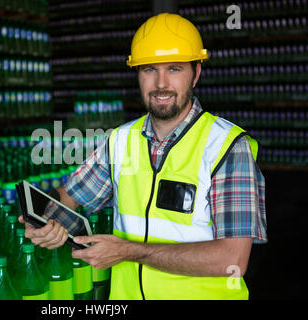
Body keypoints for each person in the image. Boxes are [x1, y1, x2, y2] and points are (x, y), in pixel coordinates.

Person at [18, 13, 267, 300]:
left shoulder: (227, 147)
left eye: (174, 69)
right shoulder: (120, 140)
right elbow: (70, 196)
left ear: (196, 74)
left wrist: (129, 251)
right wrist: (41, 221)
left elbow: (231, 260)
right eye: (149, 69)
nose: (161, 83)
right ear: (137, 74)